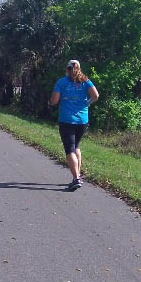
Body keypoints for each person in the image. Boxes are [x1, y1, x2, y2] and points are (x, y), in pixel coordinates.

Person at [49, 60, 99, 191]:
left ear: (67, 69)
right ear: (79, 68)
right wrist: (86, 103)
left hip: (67, 119)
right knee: (76, 146)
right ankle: (77, 175)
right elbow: (96, 96)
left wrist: (51, 102)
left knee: (69, 149)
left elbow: (54, 101)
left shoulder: (61, 82)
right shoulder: (85, 81)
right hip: (82, 120)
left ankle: (76, 178)